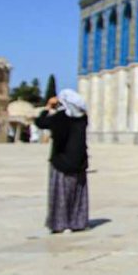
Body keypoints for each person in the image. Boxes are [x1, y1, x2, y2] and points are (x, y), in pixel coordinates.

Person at [36, 90, 90, 233]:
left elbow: (40, 123)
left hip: (61, 162)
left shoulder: (59, 118)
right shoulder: (83, 119)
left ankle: (60, 223)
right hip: (79, 162)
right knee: (77, 194)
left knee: (60, 194)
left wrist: (48, 106)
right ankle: (77, 222)